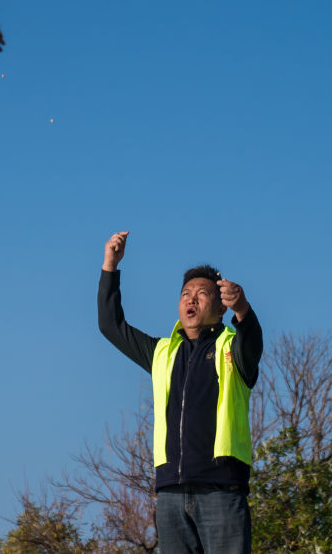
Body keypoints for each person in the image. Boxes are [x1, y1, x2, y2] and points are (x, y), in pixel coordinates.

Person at [98, 230, 263, 553]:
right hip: (170, 495)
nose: (191, 299)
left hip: (221, 491)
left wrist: (243, 310)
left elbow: (252, 341)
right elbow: (110, 326)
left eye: (202, 294)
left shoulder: (232, 347)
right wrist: (110, 266)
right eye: (186, 293)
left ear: (221, 306)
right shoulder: (162, 352)